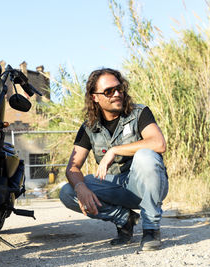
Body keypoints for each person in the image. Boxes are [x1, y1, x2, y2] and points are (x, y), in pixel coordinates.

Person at [59, 68, 169, 251]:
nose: (117, 94)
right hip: (116, 187)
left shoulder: (139, 113)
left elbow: (158, 143)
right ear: (95, 97)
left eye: (120, 89)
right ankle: (125, 219)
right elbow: (73, 167)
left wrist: (115, 150)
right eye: (109, 91)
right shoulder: (88, 128)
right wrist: (80, 187)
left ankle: (151, 229)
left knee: (146, 154)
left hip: (145, 184)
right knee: (68, 192)